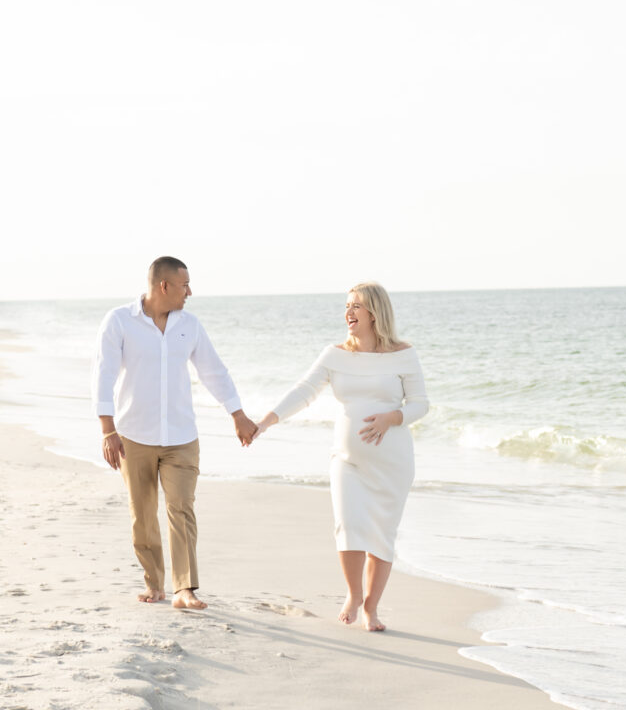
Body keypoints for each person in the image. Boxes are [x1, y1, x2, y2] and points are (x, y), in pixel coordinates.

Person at [255, 281, 429, 631]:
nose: (348, 312)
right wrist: (266, 421)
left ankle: (372, 608)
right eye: (347, 305)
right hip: (346, 459)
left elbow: (421, 404)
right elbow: (304, 391)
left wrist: (391, 418)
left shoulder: (403, 354)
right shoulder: (335, 354)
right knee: (347, 524)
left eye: (356, 306)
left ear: (374, 313)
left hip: (392, 463)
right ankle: (353, 593)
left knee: (382, 534)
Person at [92, 256, 257, 610]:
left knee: (182, 508)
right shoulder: (119, 321)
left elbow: (214, 371)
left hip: (182, 436)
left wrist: (238, 414)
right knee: (143, 513)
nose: (190, 292)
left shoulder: (190, 325)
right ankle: (155, 584)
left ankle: (185, 589)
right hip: (133, 435)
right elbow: (103, 374)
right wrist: (108, 430)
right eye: (185, 285)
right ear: (163, 286)